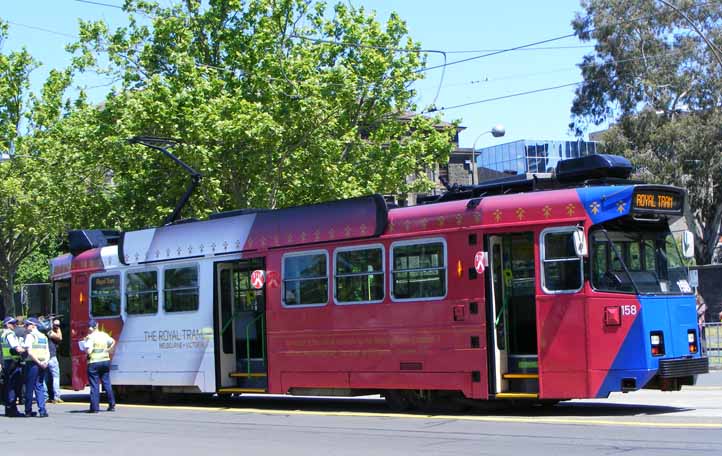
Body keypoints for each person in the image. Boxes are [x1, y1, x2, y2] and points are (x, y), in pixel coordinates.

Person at [84, 319, 116, 413]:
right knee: (107, 383)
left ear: (90, 328)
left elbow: (89, 351)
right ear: (97, 326)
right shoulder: (104, 335)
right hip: (105, 361)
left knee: (94, 385)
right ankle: (112, 405)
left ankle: (94, 408)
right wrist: (109, 349)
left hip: (94, 362)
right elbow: (113, 341)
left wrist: (85, 346)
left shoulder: (90, 337)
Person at [22, 318, 49, 417]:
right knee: (39, 386)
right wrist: (44, 362)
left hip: (32, 364)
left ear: (33, 325)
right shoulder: (43, 336)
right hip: (42, 363)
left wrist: (38, 362)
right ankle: (42, 410)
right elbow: (47, 352)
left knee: (30, 386)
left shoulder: (30, 336)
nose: (25, 327)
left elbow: (29, 352)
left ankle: (28, 410)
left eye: (27, 325)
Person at [1, 316, 25, 417]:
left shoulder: (3, 334)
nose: (15, 325)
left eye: (15, 323)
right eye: (12, 323)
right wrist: (24, 350)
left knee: (9, 385)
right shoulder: (10, 334)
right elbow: (16, 347)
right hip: (13, 362)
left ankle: (9, 408)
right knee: (13, 386)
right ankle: (12, 409)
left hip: (7, 361)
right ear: (7, 324)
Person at [44, 319, 63, 403]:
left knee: (44, 378)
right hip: (51, 356)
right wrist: (58, 328)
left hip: (43, 357)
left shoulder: (39, 332)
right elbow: (59, 338)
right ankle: (56, 396)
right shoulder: (48, 332)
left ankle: (45, 396)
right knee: (55, 376)